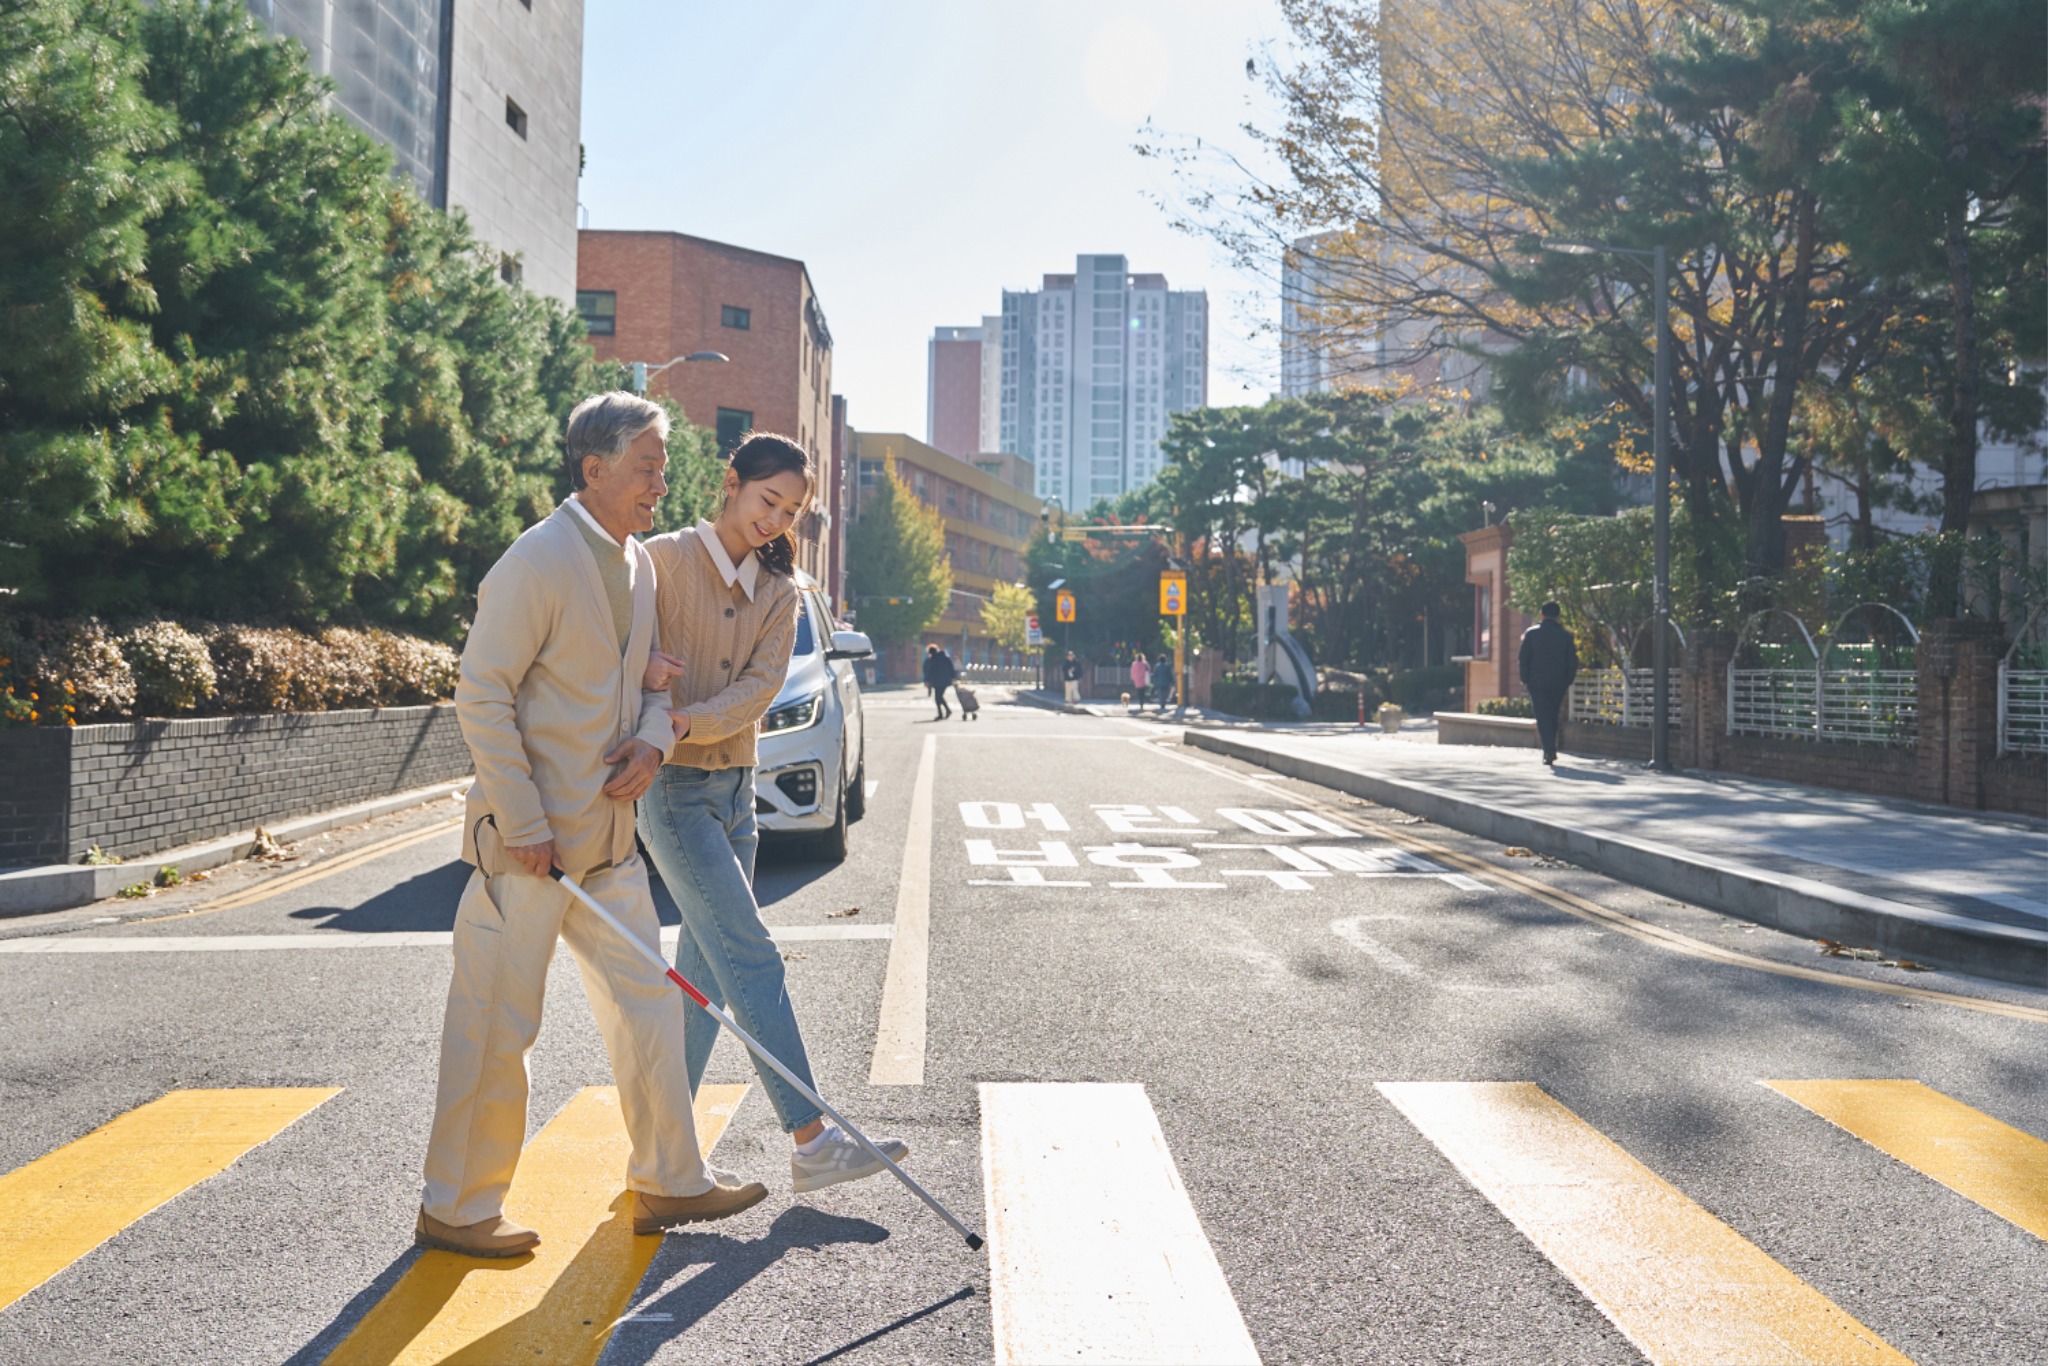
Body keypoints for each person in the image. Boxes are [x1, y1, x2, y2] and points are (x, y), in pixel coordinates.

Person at [419, 392, 765, 1259]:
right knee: (499, 1024)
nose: (661, 482)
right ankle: (456, 1206)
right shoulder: (534, 562)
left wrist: (652, 745)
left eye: (662, 466)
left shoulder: (640, 565)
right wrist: (523, 821)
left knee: (648, 1009)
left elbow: (656, 682)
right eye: (647, 466)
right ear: (595, 468)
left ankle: (669, 1181)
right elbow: (482, 694)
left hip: (610, 843)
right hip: (529, 853)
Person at [638, 433, 910, 1197]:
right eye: (768, 500)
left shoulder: (781, 589)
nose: (776, 519)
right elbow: (630, 661)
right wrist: (671, 724)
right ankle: (812, 1137)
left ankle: (665, 1154)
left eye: (791, 510)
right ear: (730, 482)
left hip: (737, 795)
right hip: (672, 791)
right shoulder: (659, 561)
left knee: (706, 981)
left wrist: (688, 717)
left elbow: (760, 691)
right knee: (750, 953)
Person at [1518, 600, 1580, 767]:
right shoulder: (1566, 636)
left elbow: (1523, 659)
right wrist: (1568, 680)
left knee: (1542, 716)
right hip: (1558, 682)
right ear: (1558, 616)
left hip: (1536, 682)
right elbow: (1572, 661)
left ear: (1542, 614)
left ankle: (1549, 750)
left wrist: (1525, 679)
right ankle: (1550, 748)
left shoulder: (1531, 634)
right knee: (1552, 715)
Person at [922, 643, 955, 719]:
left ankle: (942, 713)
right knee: (939, 697)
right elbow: (951, 668)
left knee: (938, 698)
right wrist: (953, 677)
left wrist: (926, 680)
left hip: (937, 681)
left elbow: (930, 671)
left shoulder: (933, 659)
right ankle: (947, 710)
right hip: (946, 680)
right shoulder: (945, 657)